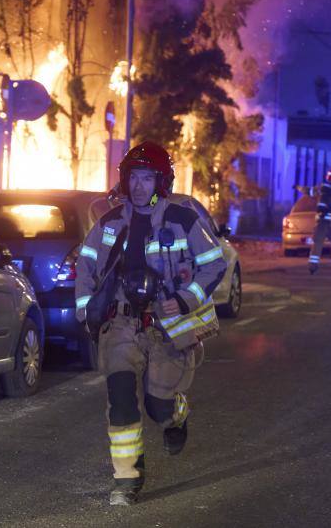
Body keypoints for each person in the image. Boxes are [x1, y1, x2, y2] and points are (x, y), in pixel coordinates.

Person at [75, 141, 227, 506]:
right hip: (121, 325)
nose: (139, 186)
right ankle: (127, 478)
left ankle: (175, 415)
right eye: (133, 178)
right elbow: (85, 269)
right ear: (124, 181)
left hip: (165, 328)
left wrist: (185, 298)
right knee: (121, 399)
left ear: (161, 182)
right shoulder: (108, 224)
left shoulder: (183, 220)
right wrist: (87, 314)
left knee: (157, 406)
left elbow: (214, 264)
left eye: (147, 178)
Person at [308, 166, 331, 274]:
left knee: (317, 244)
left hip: (321, 222)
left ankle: (313, 266)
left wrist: (298, 187)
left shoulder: (322, 187)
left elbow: (310, 192)